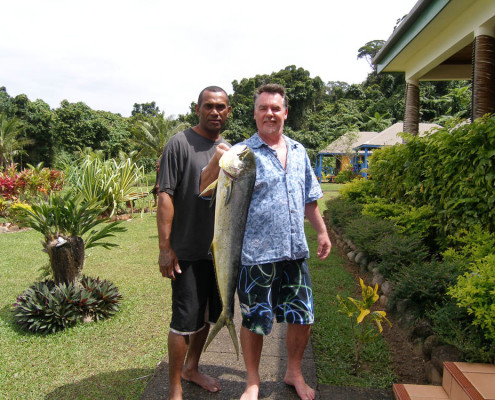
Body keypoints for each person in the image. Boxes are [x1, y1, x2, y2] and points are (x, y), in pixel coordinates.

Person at [238, 84, 331, 400]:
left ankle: (293, 372)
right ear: (255, 113)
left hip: (295, 252)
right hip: (257, 254)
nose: (269, 114)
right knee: (254, 320)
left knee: (302, 316)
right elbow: (219, 197)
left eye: (275, 108)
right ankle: (253, 381)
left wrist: (321, 231)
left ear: (285, 113)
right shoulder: (242, 154)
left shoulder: (300, 150)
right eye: (263, 108)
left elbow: (310, 198)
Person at [156, 86, 231, 400]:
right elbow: (165, 196)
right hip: (185, 251)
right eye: (209, 106)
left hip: (217, 254)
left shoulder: (230, 150)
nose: (215, 112)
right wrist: (164, 247)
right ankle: (174, 387)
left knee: (205, 317)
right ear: (198, 108)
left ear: (228, 112)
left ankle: (192, 368)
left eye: (222, 107)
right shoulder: (179, 143)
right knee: (183, 321)